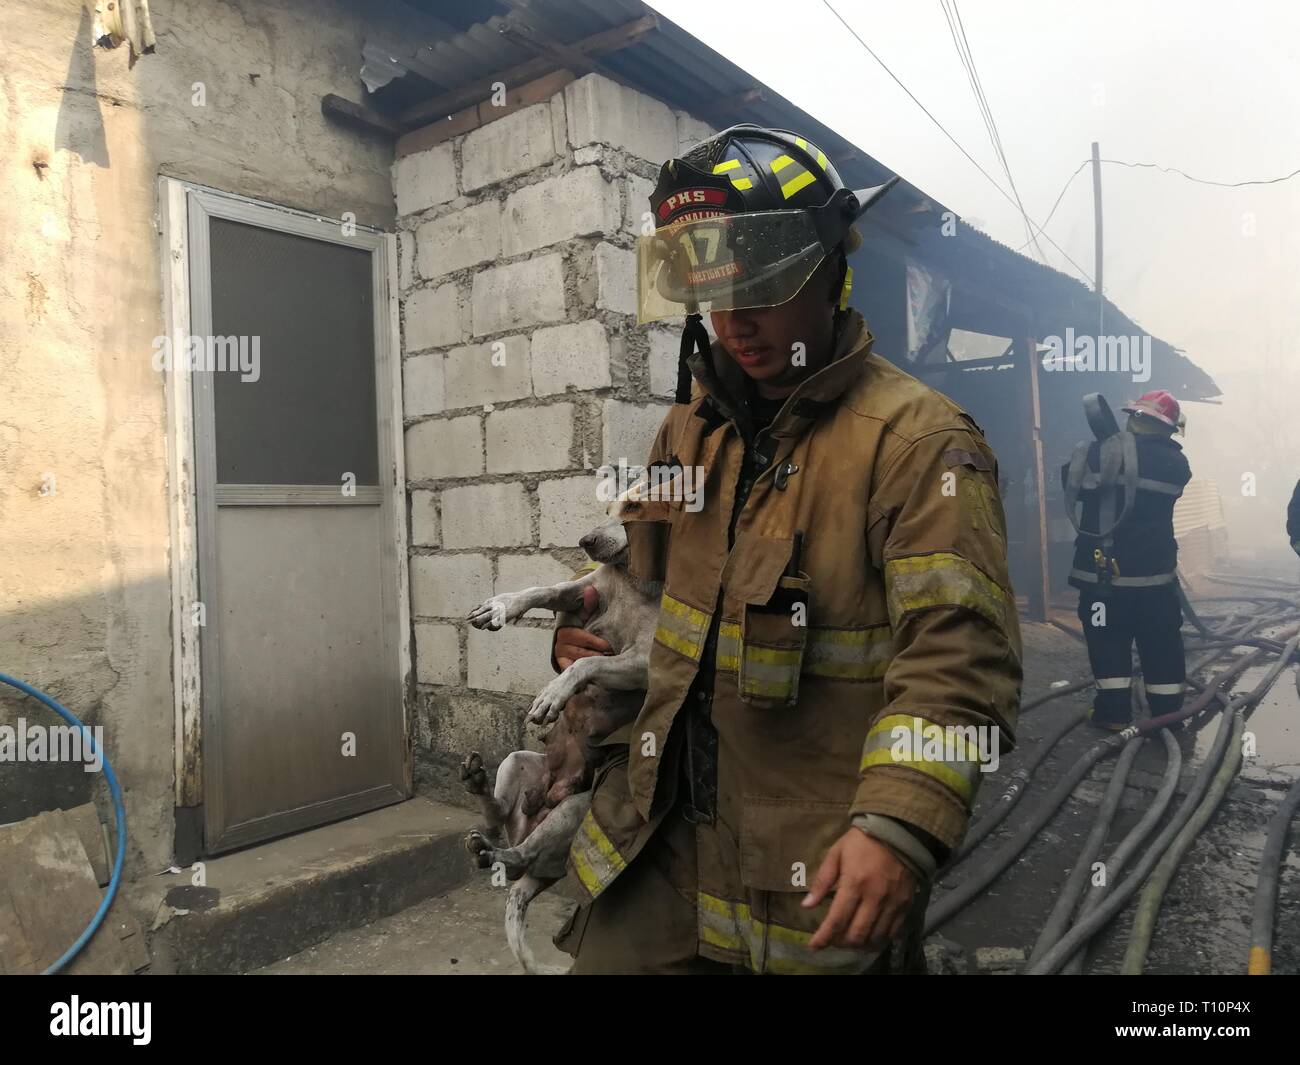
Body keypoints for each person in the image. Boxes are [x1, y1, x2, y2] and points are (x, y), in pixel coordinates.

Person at [551, 124, 1022, 974]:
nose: (736, 323)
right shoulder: (682, 432)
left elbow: (959, 658)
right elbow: (637, 583)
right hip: (650, 849)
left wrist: (899, 823)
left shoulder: (918, 445)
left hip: (805, 886)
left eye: (764, 287)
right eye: (714, 291)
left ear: (831, 272)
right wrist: (588, 630)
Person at [1063, 390, 1192, 730]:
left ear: (1135, 417)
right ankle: (1166, 716)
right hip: (1156, 581)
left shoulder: (1098, 454)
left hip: (1102, 580)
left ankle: (1113, 715)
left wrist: (1106, 449)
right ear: (1168, 428)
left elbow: (1068, 481)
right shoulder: (1177, 465)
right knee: (1161, 642)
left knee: (1107, 642)